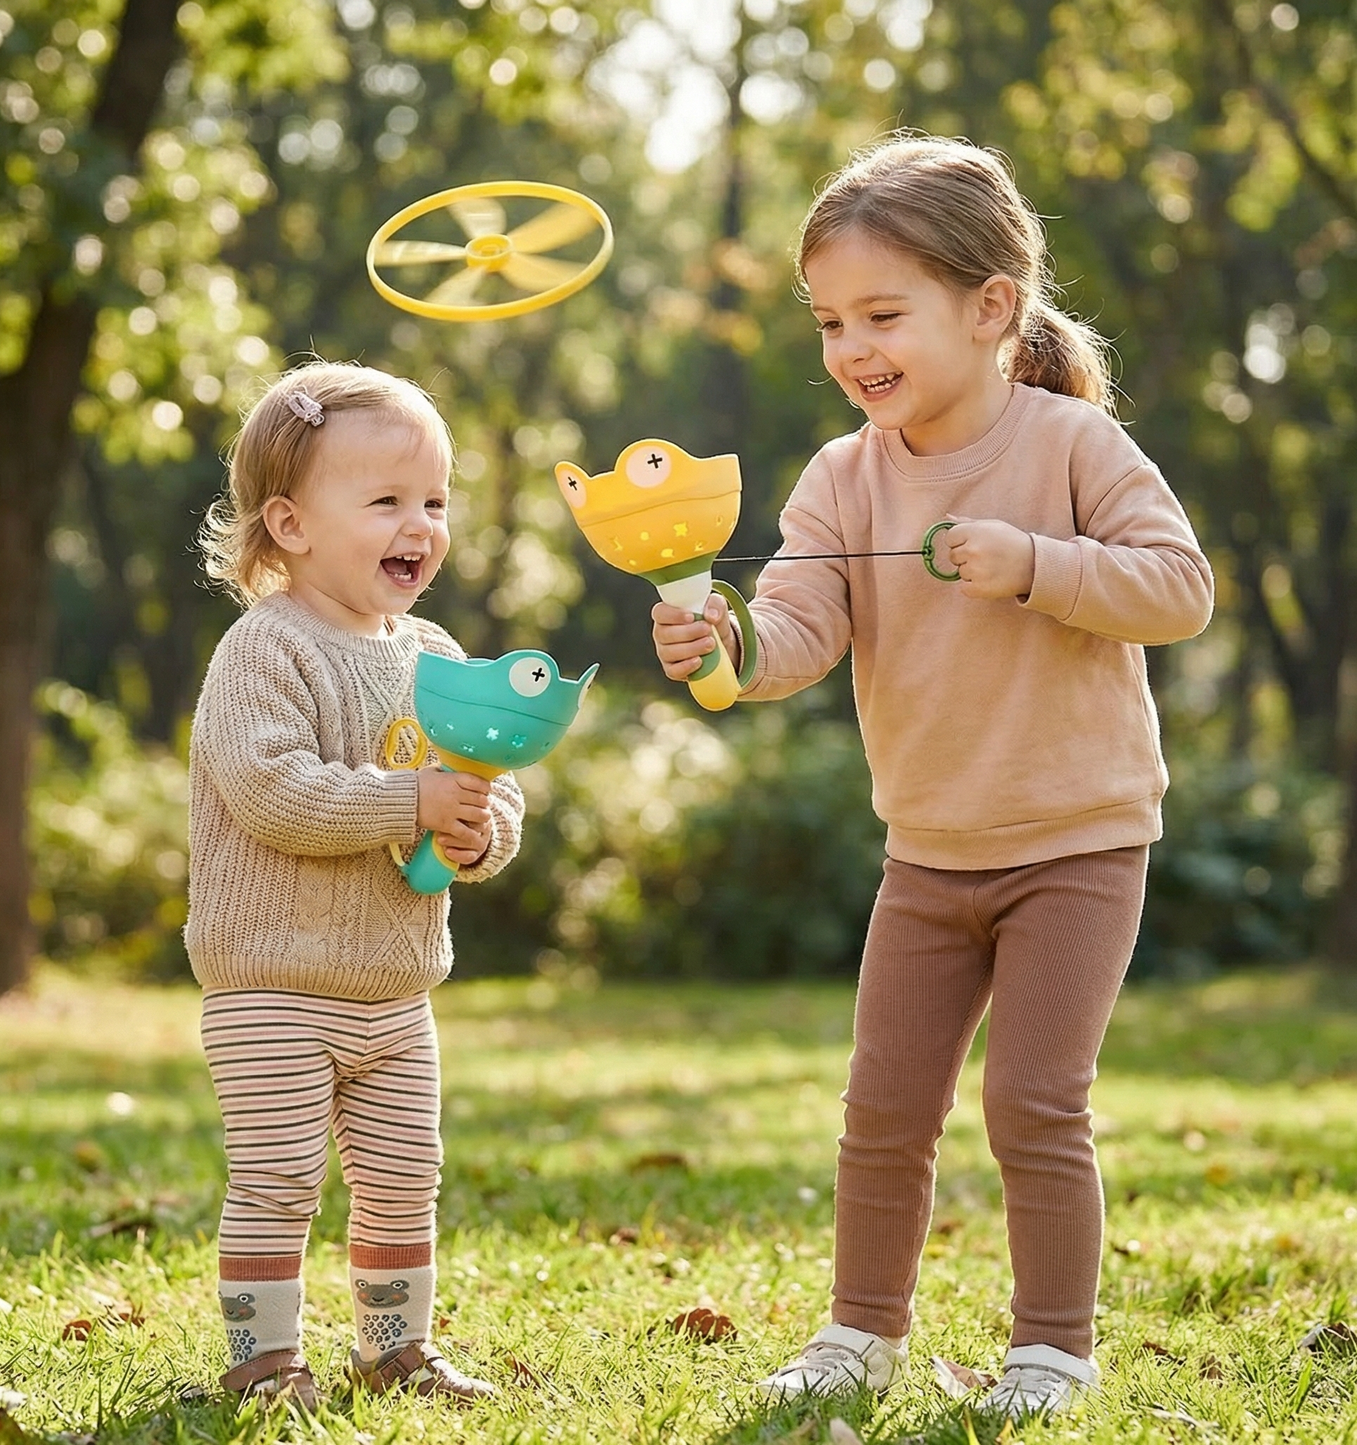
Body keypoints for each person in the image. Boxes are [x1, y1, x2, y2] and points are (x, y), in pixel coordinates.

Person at [651, 135, 1214, 1419]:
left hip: (1076, 842)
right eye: (832, 320)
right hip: (926, 851)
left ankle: (1050, 1351)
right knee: (882, 1108)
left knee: (1030, 1098)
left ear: (990, 306)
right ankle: (859, 1332)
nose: (852, 347)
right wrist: (723, 648)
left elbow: (1178, 591)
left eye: (881, 314)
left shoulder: (1069, 444)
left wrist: (1035, 560)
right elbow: (796, 625)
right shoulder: (841, 476)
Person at [188, 361, 523, 1409]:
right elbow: (272, 791)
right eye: (384, 501)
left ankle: (393, 1347)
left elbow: (484, 780)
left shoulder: (433, 653)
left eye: (434, 500)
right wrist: (406, 802)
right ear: (287, 523)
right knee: (280, 1177)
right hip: (273, 986)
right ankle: (263, 1359)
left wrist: (478, 831)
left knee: (400, 1174)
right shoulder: (263, 650)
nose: (417, 524)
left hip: (394, 989)